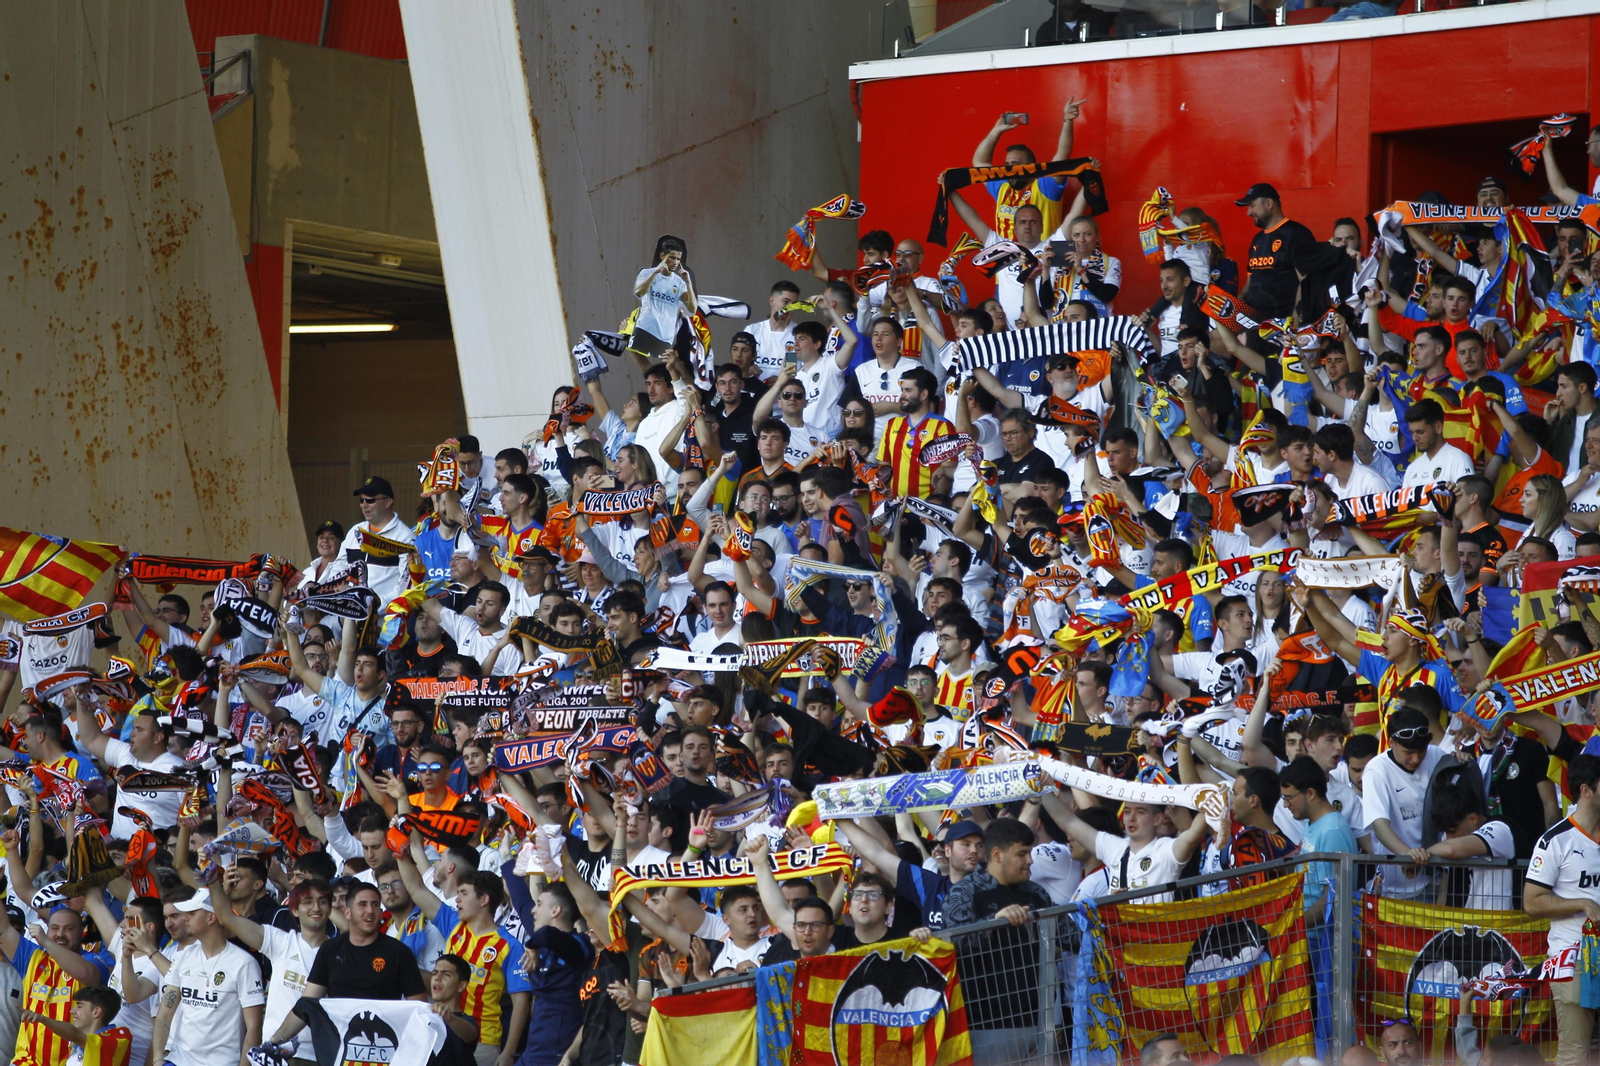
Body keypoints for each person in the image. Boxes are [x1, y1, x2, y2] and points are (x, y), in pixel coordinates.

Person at [940, 819, 1057, 1060]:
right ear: (997, 854)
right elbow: (953, 947)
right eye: (1022, 853)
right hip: (989, 1024)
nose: (1030, 860)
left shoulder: (1035, 892)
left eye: (1030, 853)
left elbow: (1072, 935)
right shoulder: (966, 891)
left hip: (1041, 1017)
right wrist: (992, 922)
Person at [1526, 753, 1600, 1066]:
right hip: (1574, 959)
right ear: (1587, 791)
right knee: (1574, 1053)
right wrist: (1583, 903)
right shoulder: (1555, 841)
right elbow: (1532, 902)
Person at [151, 891, 265, 1066]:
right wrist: (158, 1059)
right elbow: (164, 1015)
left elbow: (254, 1028)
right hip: (177, 1060)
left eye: (192, 913)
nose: (185, 918)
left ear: (211, 917)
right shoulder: (183, 956)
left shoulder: (244, 963)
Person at [1234, 183, 1316, 321]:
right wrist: (1240, 300)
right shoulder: (1257, 239)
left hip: (1281, 323)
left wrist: (1295, 319)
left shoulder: (1297, 234)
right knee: (1207, 337)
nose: (1248, 212)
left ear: (1269, 203)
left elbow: (1307, 281)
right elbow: (1250, 279)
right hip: (1252, 321)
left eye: (1252, 205)